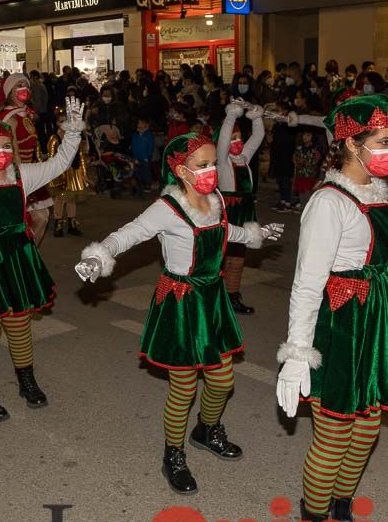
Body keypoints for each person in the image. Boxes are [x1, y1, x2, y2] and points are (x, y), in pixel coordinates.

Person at [274, 95, 388, 522]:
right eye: (383, 141)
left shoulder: (378, 190)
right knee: (334, 432)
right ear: (351, 142)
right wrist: (296, 354)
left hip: (381, 317)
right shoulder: (329, 202)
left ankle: (341, 513)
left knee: (367, 427)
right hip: (344, 323)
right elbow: (307, 284)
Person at [75, 133, 282, 494]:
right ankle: (173, 454)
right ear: (180, 170)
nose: (211, 171)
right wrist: (98, 255)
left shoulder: (215, 198)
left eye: (212, 163)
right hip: (182, 302)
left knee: (222, 382)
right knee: (183, 387)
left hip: (213, 299)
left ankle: (206, 430)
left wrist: (255, 235)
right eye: (202, 165)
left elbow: (222, 231)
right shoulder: (167, 208)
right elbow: (130, 234)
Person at [0, 96, 85, 422]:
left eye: (5, 146)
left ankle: (26, 380)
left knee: (20, 324)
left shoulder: (23, 174)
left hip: (18, 254)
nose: (0, 153)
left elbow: (60, 163)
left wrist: (74, 133)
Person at [216, 101, 266, 313]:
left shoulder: (243, 159)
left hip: (245, 211)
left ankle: (232, 297)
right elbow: (224, 138)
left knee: (237, 259)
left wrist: (256, 118)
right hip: (227, 210)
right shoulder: (222, 160)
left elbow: (258, 137)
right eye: (233, 139)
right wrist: (232, 116)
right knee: (220, 258)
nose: (236, 142)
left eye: (239, 138)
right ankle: (215, 300)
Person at [0, 73, 52, 244]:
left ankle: (28, 255)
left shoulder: (24, 114)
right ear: (9, 91)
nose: (24, 89)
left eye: (26, 85)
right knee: (30, 219)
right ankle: (22, 257)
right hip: (17, 174)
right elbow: (12, 152)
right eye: (18, 85)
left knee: (41, 217)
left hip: (30, 171)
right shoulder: (9, 117)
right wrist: (22, 179)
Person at [48, 110, 90, 237]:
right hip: (60, 173)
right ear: (57, 123)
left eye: (66, 121)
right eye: (61, 121)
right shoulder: (54, 139)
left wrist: (84, 172)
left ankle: (72, 224)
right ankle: (58, 224)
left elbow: (81, 155)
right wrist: (53, 173)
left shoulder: (75, 137)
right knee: (59, 199)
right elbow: (51, 157)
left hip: (73, 172)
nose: (64, 124)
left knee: (71, 199)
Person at [292, 129, 323, 207]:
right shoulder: (299, 147)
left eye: (308, 135)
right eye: (304, 135)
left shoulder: (315, 149)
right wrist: (298, 161)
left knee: (309, 193)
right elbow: (295, 158)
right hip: (301, 174)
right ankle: (303, 207)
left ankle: (309, 209)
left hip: (310, 175)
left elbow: (316, 160)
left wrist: (305, 161)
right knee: (301, 192)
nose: (305, 137)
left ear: (312, 137)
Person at [130, 117, 156, 194]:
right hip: (137, 156)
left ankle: (147, 184)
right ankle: (140, 184)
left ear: (146, 125)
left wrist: (147, 156)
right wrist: (134, 157)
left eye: (141, 123)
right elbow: (133, 146)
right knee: (138, 170)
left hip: (145, 157)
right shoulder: (135, 135)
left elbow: (151, 147)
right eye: (138, 123)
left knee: (146, 171)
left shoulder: (149, 135)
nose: (139, 125)